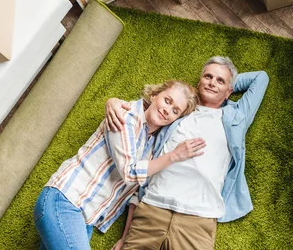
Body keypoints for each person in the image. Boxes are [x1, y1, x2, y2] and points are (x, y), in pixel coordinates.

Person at [105, 57, 269, 249]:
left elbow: (261, 78)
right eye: (208, 77)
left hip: (198, 219)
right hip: (153, 207)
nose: (212, 82)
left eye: (220, 80)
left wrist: (227, 85)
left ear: (229, 91)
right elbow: (143, 156)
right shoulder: (178, 112)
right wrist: (113, 101)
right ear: (199, 81)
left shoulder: (236, 117)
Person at [34, 80, 204, 250]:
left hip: (84, 219)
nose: (167, 110)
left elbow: (136, 193)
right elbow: (129, 172)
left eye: (175, 111)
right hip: (65, 200)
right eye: (167, 100)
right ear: (153, 96)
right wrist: (174, 156)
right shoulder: (125, 116)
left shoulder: (152, 147)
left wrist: (125, 238)